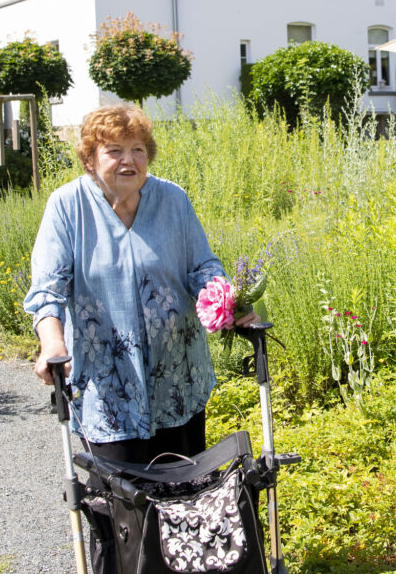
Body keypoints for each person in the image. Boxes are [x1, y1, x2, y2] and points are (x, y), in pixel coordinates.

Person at [26, 105, 250, 465]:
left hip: (177, 378)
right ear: (89, 159)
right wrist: (52, 343)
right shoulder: (67, 206)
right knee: (121, 492)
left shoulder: (173, 199)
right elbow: (47, 290)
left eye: (138, 149)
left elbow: (202, 267)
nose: (128, 160)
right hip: (107, 385)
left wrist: (227, 301)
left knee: (182, 485)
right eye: (114, 150)